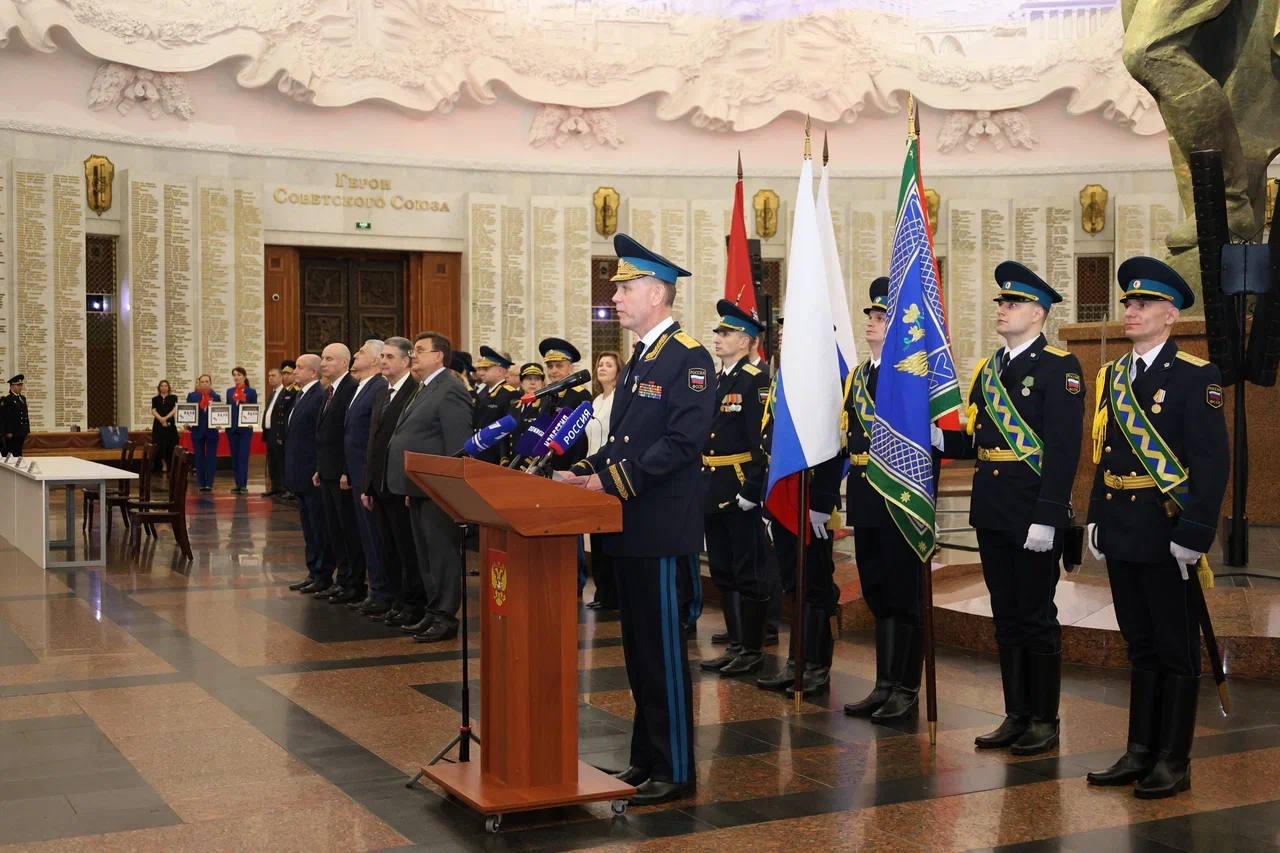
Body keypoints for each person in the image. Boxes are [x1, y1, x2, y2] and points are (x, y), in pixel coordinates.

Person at [562, 233, 715, 806]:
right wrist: (583, 470)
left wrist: (608, 481)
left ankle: (675, 769)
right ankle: (646, 758)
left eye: (625, 288)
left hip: (660, 527)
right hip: (629, 525)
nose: (616, 298)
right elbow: (623, 439)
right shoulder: (642, 359)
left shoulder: (688, 357)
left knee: (663, 653)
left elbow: (682, 442)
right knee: (638, 650)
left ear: (656, 292)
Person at [1085, 257, 1229, 799]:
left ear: (1171, 315)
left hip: (1167, 529)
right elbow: (1104, 453)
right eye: (1128, 302)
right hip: (1122, 526)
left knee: (1175, 646)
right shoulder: (1113, 377)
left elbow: (1211, 461)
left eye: (1143, 303)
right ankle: (1139, 749)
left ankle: (1173, 758)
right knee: (1139, 643)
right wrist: (1095, 516)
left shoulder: (1195, 376)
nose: (1131, 310)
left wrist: (1195, 531)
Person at [934, 263, 1084, 753]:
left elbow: (1063, 450)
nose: (1002, 309)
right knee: (1005, 615)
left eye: (1013, 303)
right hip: (993, 510)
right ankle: (1016, 714)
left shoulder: (1060, 368)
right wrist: (938, 436)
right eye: (1001, 302)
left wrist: (1048, 515)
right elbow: (978, 440)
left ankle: (1044, 719)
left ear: (1038, 313)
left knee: (1036, 615)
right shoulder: (989, 370)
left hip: (1031, 511)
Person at [842, 278, 930, 720]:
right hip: (865, 496)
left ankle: (906, 687)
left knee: (903, 593)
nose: (872, 323)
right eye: (871, 317)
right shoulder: (859, 375)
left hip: (898, 498)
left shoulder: (909, 375)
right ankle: (884, 684)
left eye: (882, 317)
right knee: (876, 590)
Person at [754, 316, 841, 699]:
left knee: (816, 584)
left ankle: (817, 666)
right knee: (793, 582)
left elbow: (832, 442)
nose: (782, 333)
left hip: (811, 500)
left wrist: (822, 501)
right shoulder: (785, 376)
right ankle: (796, 661)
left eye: (791, 327)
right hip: (785, 495)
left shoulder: (824, 378)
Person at [386, 331, 474, 642]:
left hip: (439, 488)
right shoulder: (425, 387)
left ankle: (445, 616)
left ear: (438, 356)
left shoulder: (450, 388)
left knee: (442, 554)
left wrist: (449, 490)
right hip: (419, 486)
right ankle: (433, 610)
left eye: (420, 350)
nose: (413, 355)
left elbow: (457, 444)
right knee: (425, 555)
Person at [699, 301, 771, 677]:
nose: (718, 337)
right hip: (713, 484)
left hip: (740, 483)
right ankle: (736, 644)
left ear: (745, 340)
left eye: (725, 333)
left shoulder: (754, 380)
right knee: (723, 569)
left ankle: (753, 648)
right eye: (718, 332)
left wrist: (753, 489)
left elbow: (761, 440)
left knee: (748, 569)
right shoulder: (716, 379)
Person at [362, 337, 418, 620]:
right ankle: (395, 601)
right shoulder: (383, 392)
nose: (383, 361)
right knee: (388, 548)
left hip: (400, 483)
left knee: (406, 548)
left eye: (390, 357)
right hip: (380, 483)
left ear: (406, 361)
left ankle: (411, 604)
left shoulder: (414, 391)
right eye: (382, 356)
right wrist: (367, 484)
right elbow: (374, 440)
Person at [313, 343, 362, 604]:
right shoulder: (330, 390)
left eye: (329, 359)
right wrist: (320, 468)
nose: (323, 363)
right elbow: (324, 432)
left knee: (347, 530)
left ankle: (352, 582)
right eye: (323, 358)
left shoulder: (349, 389)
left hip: (341, 473)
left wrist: (345, 470)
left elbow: (348, 433)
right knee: (334, 529)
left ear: (344, 363)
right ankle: (341, 579)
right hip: (328, 470)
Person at [343, 339, 387, 613]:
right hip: (356, 470)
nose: (355, 355)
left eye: (360, 352)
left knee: (374, 535)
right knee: (365, 534)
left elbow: (373, 435)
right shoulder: (363, 386)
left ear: (374, 359)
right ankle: (375, 589)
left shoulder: (378, 387)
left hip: (367, 472)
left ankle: (380, 591)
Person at [284, 355, 333, 593]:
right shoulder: (301, 394)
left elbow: (318, 436)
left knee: (318, 526)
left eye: (300, 368)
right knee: (308, 528)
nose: (295, 371)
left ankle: (322, 573)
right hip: (299, 471)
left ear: (314, 372)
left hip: (311, 472)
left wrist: (317, 468)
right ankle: (312, 571)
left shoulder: (319, 396)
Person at [585, 351, 622, 610]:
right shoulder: (596, 400)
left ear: (619, 371)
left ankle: (614, 593)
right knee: (596, 534)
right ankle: (602, 591)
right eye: (600, 364)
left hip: (610, 471)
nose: (603, 368)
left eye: (609, 365)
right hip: (590, 471)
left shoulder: (621, 399)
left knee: (609, 536)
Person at [472, 346, 519, 464]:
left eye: (486, 369)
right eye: (480, 369)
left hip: (495, 456)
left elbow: (508, 431)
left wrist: (504, 457)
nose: (481, 372)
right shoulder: (484, 393)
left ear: (500, 370)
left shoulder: (510, 394)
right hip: (481, 452)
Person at [186, 374, 221, 492]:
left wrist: (220, 423)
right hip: (197, 431)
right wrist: (187, 422)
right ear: (199, 384)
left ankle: (209, 483)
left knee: (211, 458)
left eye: (207, 381)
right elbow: (188, 412)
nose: (205, 384)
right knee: (199, 457)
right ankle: (201, 483)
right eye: (202, 382)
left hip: (212, 432)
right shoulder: (192, 396)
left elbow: (219, 413)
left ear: (210, 383)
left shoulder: (216, 397)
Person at [226, 367, 258, 494]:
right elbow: (227, 410)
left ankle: (243, 484)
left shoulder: (251, 392)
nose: (236, 377)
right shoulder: (229, 391)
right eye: (234, 375)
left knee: (243, 456)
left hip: (245, 429)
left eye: (238, 374)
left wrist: (252, 422)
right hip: (232, 429)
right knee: (234, 457)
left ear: (244, 376)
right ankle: (237, 484)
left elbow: (254, 409)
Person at [261, 365, 286, 495]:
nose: (270, 378)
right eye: (269, 376)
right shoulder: (272, 394)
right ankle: (274, 487)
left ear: (281, 377)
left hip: (278, 433)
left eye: (273, 375)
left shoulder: (285, 393)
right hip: (269, 432)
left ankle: (282, 488)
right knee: (272, 461)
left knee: (280, 460)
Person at [150, 380, 178, 472]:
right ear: (159, 388)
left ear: (168, 387)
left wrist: (165, 418)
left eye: (166, 386)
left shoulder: (173, 397)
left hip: (170, 423)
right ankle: (162, 464)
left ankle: (170, 464)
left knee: (170, 444)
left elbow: (175, 409)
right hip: (158, 424)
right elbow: (153, 410)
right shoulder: (155, 399)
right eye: (162, 386)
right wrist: (161, 419)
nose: (164, 387)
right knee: (159, 444)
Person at [2, 375, 30, 457]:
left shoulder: (22, 398)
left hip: (21, 431)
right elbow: (4, 417)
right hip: (12, 432)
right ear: (12, 386)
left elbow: (25, 414)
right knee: (11, 453)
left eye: (21, 385)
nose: (21, 387)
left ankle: (18, 464)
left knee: (19, 452)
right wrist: (7, 431)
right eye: (18, 385)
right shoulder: (7, 399)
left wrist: (27, 429)